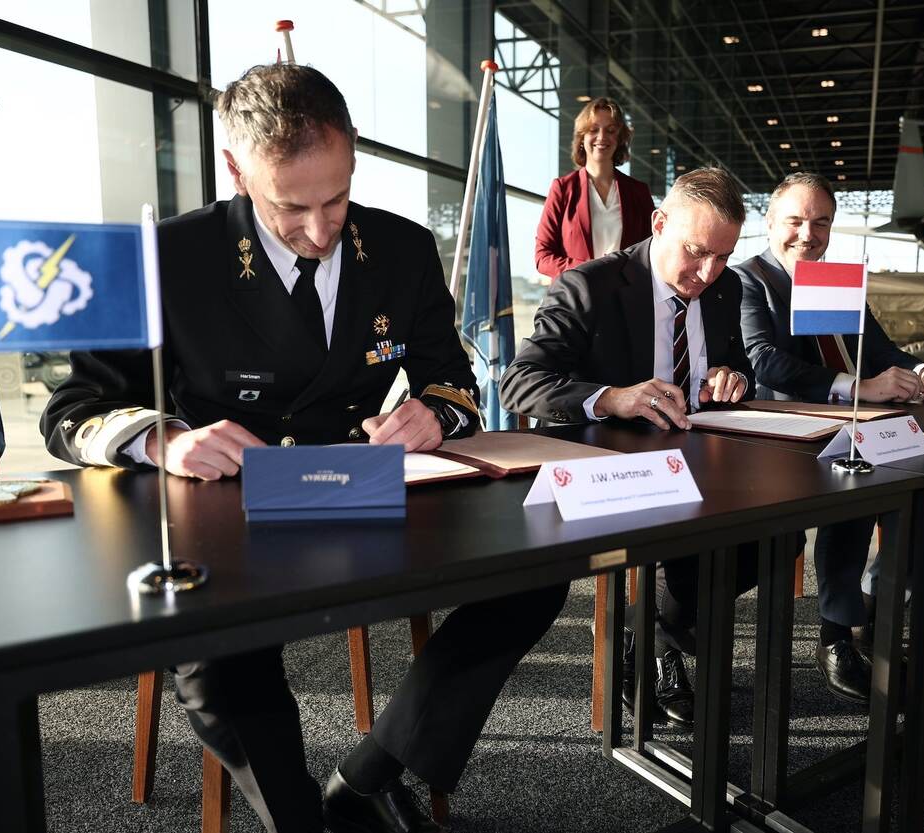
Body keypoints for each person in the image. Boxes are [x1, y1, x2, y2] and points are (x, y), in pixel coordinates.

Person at [41, 64, 569, 833]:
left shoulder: (403, 248)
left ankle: (367, 776)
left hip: (360, 491)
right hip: (227, 512)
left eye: (337, 199)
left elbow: (454, 379)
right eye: (291, 206)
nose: (321, 231)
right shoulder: (164, 257)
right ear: (236, 170)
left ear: (352, 155)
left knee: (536, 570)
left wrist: (432, 413)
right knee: (222, 658)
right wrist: (167, 438)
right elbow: (73, 410)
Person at [502, 167, 757, 728]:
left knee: (770, 538)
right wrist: (611, 398)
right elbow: (519, 382)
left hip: (698, 455)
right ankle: (659, 643)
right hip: (613, 465)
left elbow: (739, 364)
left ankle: (650, 635)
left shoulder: (726, 287)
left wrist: (733, 377)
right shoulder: (590, 285)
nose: (708, 273)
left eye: (723, 256)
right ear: (659, 224)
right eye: (696, 252)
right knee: (691, 539)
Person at [733, 171, 924, 703]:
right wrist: (857, 386)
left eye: (821, 223)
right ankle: (835, 633)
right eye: (795, 221)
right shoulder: (748, 280)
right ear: (770, 222)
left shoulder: (837, 280)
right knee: (856, 485)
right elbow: (763, 361)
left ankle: (878, 600)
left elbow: (881, 351)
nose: (807, 234)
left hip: (855, 424)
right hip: (784, 431)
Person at [534, 97, 655, 278]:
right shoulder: (563, 189)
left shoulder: (639, 192)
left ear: (619, 138)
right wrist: (590, 270)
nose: (602, 137)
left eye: (611, 130)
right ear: (582, 138)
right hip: (577, 293)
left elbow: (653, 251)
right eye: (593, 129)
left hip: (625, 293)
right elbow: (542, 257)